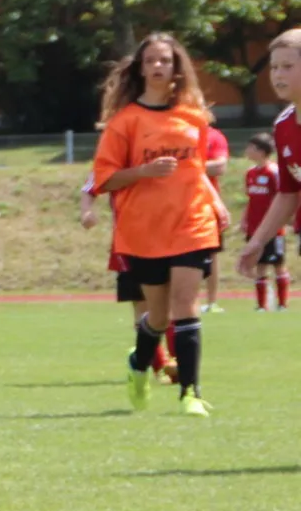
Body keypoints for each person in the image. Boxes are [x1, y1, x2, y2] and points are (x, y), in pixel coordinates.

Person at [90, 33, 228, 417]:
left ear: (176, 68)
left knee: (186, 305)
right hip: (145, 230)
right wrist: (143, 171)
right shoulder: (125, 122)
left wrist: (215, 202)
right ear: (140, 68)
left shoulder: (194, 117)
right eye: (150, 60)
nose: (157, 66)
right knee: (159, 315)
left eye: (165, 60)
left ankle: (190, 393)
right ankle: (138, 364)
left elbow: (195, 170)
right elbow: (104, 179)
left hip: (191, 222)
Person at [81, 175, 176, 382]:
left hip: (167, 241)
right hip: (128, 246)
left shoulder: (164, 160)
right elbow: (90, 187)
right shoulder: (116, 162)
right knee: (143, 307)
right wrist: (86, 212)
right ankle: (161, 366)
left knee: (170, 305)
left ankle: (178, 361)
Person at [236, 29, 301, 289]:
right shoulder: (283, 125)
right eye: (274, 67)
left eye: (287, 66)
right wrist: (258, 241)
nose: (278, 75)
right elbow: (288, 192)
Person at [239, 134, 288, 311]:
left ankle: (282, 304)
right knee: (259, 266)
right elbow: (251, 199)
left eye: (250, 148)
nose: (247, 151)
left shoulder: (274, 172)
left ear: (261, 151)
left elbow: (283, 198)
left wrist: (281, 221)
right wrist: (244, 220)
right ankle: (261, 306)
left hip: (273, 230)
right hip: (254, 228)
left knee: (278, 265)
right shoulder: (250, 173)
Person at [200, 120, 231, 313]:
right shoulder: (175, 131)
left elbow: (219, 166)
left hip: (207, 204)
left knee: (212, 253)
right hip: (175, 203)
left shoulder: (214, 136)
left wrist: (188, 166)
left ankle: (211, 301)